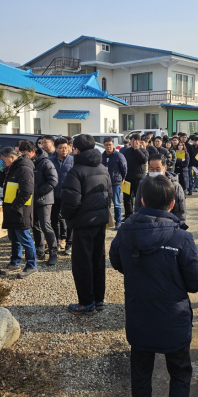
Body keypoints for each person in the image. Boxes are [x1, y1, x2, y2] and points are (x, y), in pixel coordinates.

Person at [110, 175, 198, 397]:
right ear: (172, 204)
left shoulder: (125, 231)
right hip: (174, 318)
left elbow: (116, 260)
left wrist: (137, 271)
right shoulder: (181, 237)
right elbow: (196, 282)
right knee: (180, 372)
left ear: (142, 201)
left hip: (139, 315)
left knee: (141, 373)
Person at [61, 134, 112, 315]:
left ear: (76, 149)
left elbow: (70, 202)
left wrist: (68, 218)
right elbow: (110, 195)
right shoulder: (103, 167)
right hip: (100, 222)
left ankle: (86, 303)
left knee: (82, 263)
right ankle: (98, 300)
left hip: (83, 225)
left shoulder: (76, 171)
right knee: (98, 260)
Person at [0, 147, 37, 278]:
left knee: (25, 238)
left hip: (20, 211)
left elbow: (26, 192)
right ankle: (15, 262)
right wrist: (0, 171)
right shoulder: (12, 168)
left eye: (4, 160)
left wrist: (14, 207)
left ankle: (31, 265)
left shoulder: (24, 168)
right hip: (12, 210)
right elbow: (3, 183)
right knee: (14, 238)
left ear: (12, 157)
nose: (3, 162)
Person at [20, 140, 59, 266]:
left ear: (32, 151)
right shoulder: (28, 162)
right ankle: (39, 250)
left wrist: (38, 191)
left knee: (46, 226)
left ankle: (53, 253)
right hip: (32, 200)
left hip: (44, 200)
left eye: (24, 153)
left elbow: (53, 181)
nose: (23, 156)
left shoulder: (45, 162)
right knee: (35, 226)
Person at [134, 153, 186, 227]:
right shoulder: (143, 184)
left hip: (168, 227)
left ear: (165, 168)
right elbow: (138, 206)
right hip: (147, 227)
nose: (155, 171)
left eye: (158, 169)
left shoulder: (174, 186)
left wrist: (178, 227)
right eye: (151, 169)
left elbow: (180, 211)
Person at [50, 137, 75, 255]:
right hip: (54, 195)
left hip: (68, 195)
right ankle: (55, 243)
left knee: (69, 219)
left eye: (65, 147)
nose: (63, 150)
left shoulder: (73, 160)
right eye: (60, 148)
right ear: (56, 149)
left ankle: (69, 243)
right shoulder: (50, 161)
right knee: (54, 220)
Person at [121, 133, 150, 220]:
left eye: (135, 141)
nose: (133, 143)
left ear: (140, 142)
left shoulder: (143, 151)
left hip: (138, 178)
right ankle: (128, 215)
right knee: (127, 198)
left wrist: (137, 150)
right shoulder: (127, 151)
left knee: (139, 198)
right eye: (132, 141)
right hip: (127, 178)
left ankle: (139, 215)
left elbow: (144, 160)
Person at [102, 137, 128, 229]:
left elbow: (124, 168)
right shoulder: (102, 156)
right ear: (104, 145)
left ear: (113, 145)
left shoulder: (118, 155)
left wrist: (122, 178)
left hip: (115, 182)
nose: (108, 146)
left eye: (110, 145)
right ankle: (106, 221)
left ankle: (118, 221)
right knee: (104, 203)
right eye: (106, 145)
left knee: (116, 203)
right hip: (104, 182)